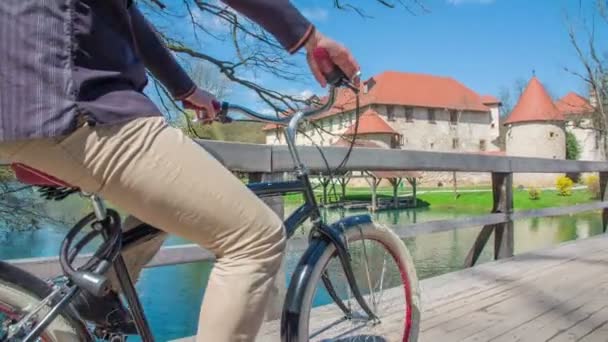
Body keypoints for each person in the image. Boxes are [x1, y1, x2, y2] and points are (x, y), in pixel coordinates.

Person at [0, 0, 359, 341]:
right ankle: (104, 287)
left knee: (198, 176)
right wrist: (308, 36)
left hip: (24, 102)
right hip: (69, 99)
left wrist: (185, 89)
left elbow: (128, 19)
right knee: (256, 239)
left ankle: (104, 287)